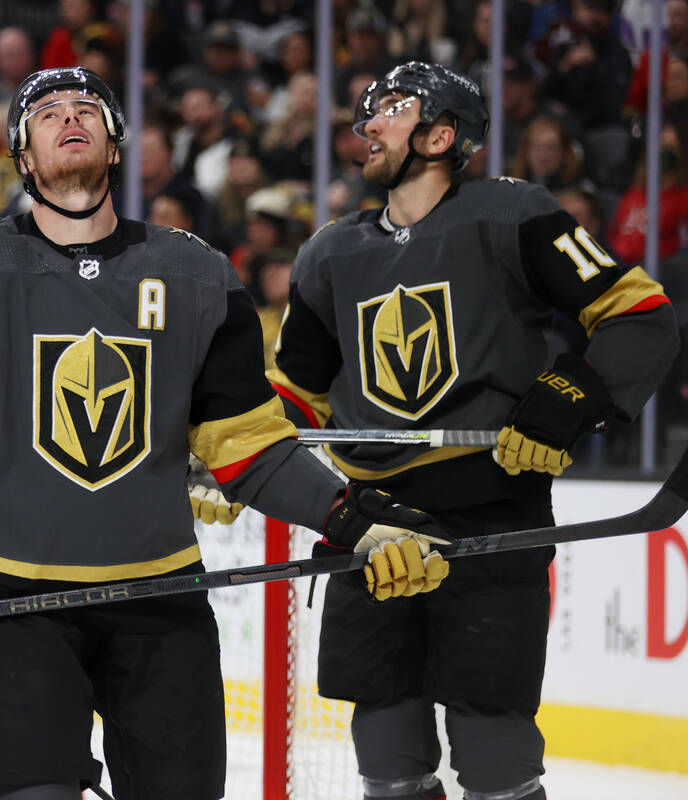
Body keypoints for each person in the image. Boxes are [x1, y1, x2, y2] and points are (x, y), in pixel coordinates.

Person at [0, 66, 451, 800]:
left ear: (114, 147)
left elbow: (252, 450)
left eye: (88, 109)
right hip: (13, 604)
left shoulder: (196, 274)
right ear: (23, 154)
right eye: (46, 113)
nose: (70, 117)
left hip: (160, 602)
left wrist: (354, 520)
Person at [268, 61, 679, 800]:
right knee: (386, 739)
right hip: (371, 524)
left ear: (440, 133)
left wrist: (567, 396)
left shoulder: (514, 212)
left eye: (390, 109)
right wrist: (239, 460)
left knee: (494, 741)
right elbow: (296, 392)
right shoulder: (329, 251)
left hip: (492, 510)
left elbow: (639, 314)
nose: (368, 127)